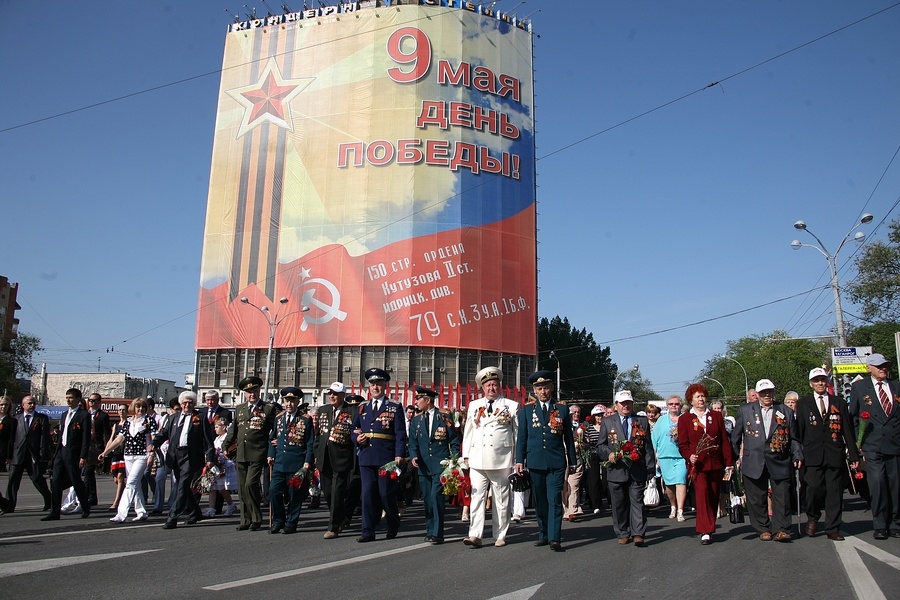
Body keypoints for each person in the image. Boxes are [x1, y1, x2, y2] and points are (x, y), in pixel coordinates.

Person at [732, 378, 802, 542]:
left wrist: (797, 454)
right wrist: (734, 458)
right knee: (756, 498)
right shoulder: (745, 410)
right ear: (757, 394)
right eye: (763, 393)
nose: (767, 395)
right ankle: (762, 528)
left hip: (779, 459)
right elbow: (736, 437)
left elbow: (794, 438)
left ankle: (781, 529)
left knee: (782, 496)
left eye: (769, 392)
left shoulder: (785, 411)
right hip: (754, 460)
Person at [515, 370, 576, 552]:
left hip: (556, 462)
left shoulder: (562, 410)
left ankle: (555, 538)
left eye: (546, 388)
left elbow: (569, 439)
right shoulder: (526, 411)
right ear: (534, 390)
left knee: (554, 499)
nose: (543, 392)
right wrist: (520, 460)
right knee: (540, 501)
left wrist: (572, 462)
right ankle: (543, 533)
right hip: (535, 462)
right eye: (539, 388)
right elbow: (522, 438)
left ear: (551, 388)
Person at [797, 367, 859, 541]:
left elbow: (847, 429)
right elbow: (799, 430)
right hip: (812, 454)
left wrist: (854, 456)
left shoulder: (838, 402)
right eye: (816, 381)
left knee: (834, 492)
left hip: (834, 452)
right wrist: (797, 454)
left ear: (827, 382)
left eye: (823, 380)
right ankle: (813, 516)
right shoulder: (804, 403)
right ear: (811, 384)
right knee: (813, 489)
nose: (820, 383)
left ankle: (832, 527)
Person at [464, 366, 518, 548]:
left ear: (499, 386)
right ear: (482, 387)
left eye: (494, 385)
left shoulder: (511, 406)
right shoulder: (473, 405)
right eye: (488, 385)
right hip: (477, 459)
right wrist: (465, 457)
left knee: (501, 500)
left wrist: (518, 459)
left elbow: (516, 434)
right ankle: (475, 534)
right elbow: (468, 432)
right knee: (476, 498)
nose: (491, 388)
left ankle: (500, 534)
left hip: (501, 459)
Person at [351, 368, 408, 542]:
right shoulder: (362, 407)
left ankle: (393, 523)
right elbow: (353, 428)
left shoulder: (394, 406)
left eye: (379, 384)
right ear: (369, 386)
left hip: (386, 457)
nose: (375, 387)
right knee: (367, 494)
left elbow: (400, 433)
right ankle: (367, 531)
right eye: (372, 384)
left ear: (385, 386)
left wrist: (399, 454)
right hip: (367, 456)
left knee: (385, 493)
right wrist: (356, 438)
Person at [849, 353, 900, 540]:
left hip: (895, 444)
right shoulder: (859, 387)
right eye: (879, 366)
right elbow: (853, 417)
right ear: (869, 367)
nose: (883, 369)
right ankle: (880, 524)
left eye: (885, 365)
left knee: (895, 485)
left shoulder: (896, 386)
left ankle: (895, 523)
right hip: (872, 445)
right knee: (877, 483)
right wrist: (857, 444)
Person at [678, 384, 734, 545]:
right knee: (702, 494)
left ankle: (709, 524)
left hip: (715, 463)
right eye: (697, 397)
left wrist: (729, 462)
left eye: (702, 396)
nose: (701, 399)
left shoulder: (715, 416)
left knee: (713, 494)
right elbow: (683, 444)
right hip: (698, 465)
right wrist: (689, 456)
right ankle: (705, 530)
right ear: (691, 400)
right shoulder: (685, 419)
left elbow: (724, 440)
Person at [598, 390, 655, 546]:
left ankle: (638, 533)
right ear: (616, 405)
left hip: (637, 468)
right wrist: (608, 454)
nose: (626, 406)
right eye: (622, 403)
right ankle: (623, 532)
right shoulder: (608, 422)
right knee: (619, 503)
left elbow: (648, 446)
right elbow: (600, 445)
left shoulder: (641, 421)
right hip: (616, 469)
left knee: (637, 500)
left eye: (628, 403)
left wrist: (651, 469)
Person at [152, 391, 215, 529]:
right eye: (185, 403)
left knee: (182, 485)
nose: (187, 405)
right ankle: (195, 512)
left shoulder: (200, 417)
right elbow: (164, 433)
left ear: (194, 404)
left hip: (191, 456)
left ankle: (173, 516)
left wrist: (210, 457)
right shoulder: (173, 418)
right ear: (180, 404)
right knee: (184, 487)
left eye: (190, 402)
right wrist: (154, 443)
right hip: (175, 455)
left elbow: (208, 440)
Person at [223, 376, 278, 531]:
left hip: (258, 452)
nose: (252, 394)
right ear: (244, 394)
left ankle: (256, 517)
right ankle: (245, 519)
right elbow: (233, 430)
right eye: (248, 392)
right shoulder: (240, 409)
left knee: (250, 484)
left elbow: (275, 429)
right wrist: (225, 445)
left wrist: (274, 444)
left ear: (259, 391)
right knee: (242, 488)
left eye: (254, 391)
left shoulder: (268, 408)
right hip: (241, 452)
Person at [409, 386, 460, 544]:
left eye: (419, 399)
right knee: (427, 501)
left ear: (428, 400)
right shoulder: (416, 420)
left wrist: (453, 461)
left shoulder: (444, 416)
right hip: (424, 466)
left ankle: (437, 533)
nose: (416, 402)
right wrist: (413, 456)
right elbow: (413, 442)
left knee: (436, 496)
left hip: (440, 464)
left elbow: (454, 440)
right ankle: (430, 530)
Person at [98, 398, 157, 522]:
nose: (140, 409)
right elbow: (119, 439)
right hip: (128, 456)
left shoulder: (149, 420)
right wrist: (105, 452)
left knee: (130, 483)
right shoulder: (128, 422)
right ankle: (141, 511)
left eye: (142, 407)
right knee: (136, 485)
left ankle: (121, 513)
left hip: (141, 456)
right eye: (138, 407)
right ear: (133, 408)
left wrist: (151, 454)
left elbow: (153, 438)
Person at [267, 387, 315, 534]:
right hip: (280, 463)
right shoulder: (279, 418)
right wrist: (270, 454)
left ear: (298, 402)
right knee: (274, 491)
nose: (289, 404)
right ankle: (278, 521)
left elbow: (310, 443)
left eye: (292, 401)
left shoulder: (305, 419)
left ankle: (291, 522)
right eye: (287, 401)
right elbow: (272, 438)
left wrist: (307, 462)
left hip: (296, 463)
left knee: (295, 495)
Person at [314, 381, 357, 538]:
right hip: (324, 457)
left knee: (337, 491)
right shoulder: (323, 410)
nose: (332, 396)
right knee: (327, 493)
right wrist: (316, 452)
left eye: (335, 393)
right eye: (330, 393)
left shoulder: (352, 410)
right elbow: (319, 434)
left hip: (341, 458)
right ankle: (341, 515)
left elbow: (354, 434)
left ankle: (333, 527)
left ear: (343, 395)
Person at [42, 388, 92, 521]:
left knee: (75, 480)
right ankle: (54, 512)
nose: (68, 400)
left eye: (70, 397)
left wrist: (83, 455)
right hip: (61, 451)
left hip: (73, 452)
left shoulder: (83, 415)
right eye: (67, 397)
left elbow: (85, 438)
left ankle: (85, 506)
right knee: (56, 481)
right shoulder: (65, 414)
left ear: (77, 399)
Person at [5, 395, 52, 512]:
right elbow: (11, 439)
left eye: (33, 403)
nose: (32, 405)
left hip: (33, 455)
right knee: (13, 481)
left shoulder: (41, 418)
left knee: (37, 478)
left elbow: (44, 438)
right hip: (18, 454)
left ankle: (49, 499)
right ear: (23, 405)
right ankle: (9, 505)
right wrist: (9, 455)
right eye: (29, 403)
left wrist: (43, 454)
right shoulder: (16, 419)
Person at [651, 395, 688, 522]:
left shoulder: (686, 419)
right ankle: (673, 505)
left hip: (681, 456)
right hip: (664, 456)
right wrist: (656, 457)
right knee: (670, 484)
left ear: (680, 405)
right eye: (671, 404)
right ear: (667, 406)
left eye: (676, 404)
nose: (674, 406)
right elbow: (654, 439)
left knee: (681, 480)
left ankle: (680, 510)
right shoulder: (661, 420)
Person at [151, 398, 180, 515]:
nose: (178, 412)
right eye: (176, 409)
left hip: (176, 454)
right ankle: (158, 506)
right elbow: (160, 433)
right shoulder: (165, 419)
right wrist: (155, 445)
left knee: (175, 481)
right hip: (163, 453)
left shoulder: (182, 419)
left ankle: (172, 504)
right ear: (171, 410)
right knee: (159, 478)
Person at [205, 417, 237, 517]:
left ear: (223, 427)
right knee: (213, 488)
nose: (215, 429)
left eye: (217, 427)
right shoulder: (217, 438)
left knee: (221, 489)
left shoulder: (227, 438)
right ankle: (211, 509)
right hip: (216, 466)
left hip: (225, 465)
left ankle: (231, 505)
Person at [84, 392, 112, 508]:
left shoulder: (103, 416)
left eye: (94, 400)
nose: (91, 402)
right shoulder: (84, 414)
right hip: (85, 446)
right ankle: (91, 496)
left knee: (88, 471)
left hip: (96, 447)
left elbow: (106, 433)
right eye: (90, 400)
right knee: (87, 472)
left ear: (99, 402)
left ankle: (87, 496)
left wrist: (106, 449)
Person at [582, 404, 607, 515]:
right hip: (593, 454)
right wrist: (584, 443)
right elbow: (585, 442)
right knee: (593, 480)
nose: (599, 418)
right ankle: (595, 504)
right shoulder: (589, 428)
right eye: (597, 416)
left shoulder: (607, 427)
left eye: (601, 415)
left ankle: (608, 500)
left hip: (605, 455)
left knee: (606, 480)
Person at [562, 404, 585, 522]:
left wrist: (582, 444)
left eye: (578, 412)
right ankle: (565, 511)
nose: (576, 414)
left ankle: (573, 510)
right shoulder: (562, 424)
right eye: (574, 412)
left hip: (576, 458)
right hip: (563, 458)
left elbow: (588, 441)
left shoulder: (583, 426)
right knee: (565, 486)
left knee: (574, 484)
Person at [0, 396, 14, 472]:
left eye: (6, 405)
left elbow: (11, 439)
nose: (3, 407)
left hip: (2, 452)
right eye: (1, 404)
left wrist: (9, 456)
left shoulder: (12, 421)